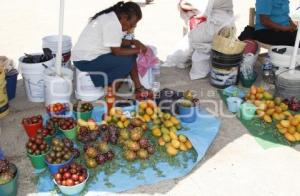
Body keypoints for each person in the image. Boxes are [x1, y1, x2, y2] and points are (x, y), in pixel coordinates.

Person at [72, 1, 150, 94]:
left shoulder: (113, 17)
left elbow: (116, 42)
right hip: (85, 61)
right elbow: (117, 51)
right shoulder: (112, 23)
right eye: (132, 24)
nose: (133, 26)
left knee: (130, 52)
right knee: (129, 58)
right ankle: (111, 93)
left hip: (88, 56)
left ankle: (138, 87)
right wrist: (139, 50)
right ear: (125, 17)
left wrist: (134, 42)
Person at [163, 0, 234, 80]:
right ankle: (195, 63)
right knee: (194, 38)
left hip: (215, 26)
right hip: (226, 24)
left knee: (193, 38)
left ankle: (193, 66)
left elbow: (202, 12)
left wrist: (186, 6)